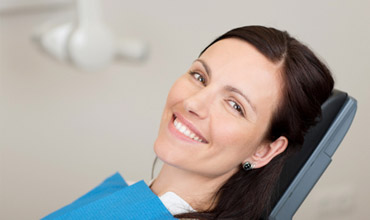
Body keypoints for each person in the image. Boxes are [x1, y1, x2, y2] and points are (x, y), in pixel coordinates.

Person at [42, 25, 334, 220]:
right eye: (200, 77)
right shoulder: (131, 192)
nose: (194, 103)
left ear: (263, 151)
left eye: (235, 105)